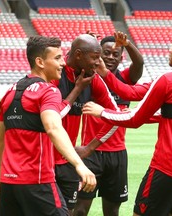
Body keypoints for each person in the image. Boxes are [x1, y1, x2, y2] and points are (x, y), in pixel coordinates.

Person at [82, 26, 172, 216]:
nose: (169, 49)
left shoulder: (167, 80)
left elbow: (134, 117)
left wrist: (102, 112)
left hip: (166, 169)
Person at [0, 36, 97, 216]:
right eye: (57, 58)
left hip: (9, 184)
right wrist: (79, 164)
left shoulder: (10, 92)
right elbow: (53, 127)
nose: (62, 63)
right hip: (37, 182)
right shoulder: (49, 91)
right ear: (40, 62)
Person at [73, 31, 144, 216]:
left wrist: (127, 44)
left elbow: (139, 64)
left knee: (112, 211)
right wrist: (89, 43)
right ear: (98, 54)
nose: (110, 57)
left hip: (117, 154)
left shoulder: (126, 79)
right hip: (90, 151)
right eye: (106, 53)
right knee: (80, 209)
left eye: (115, 54)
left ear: (121, 58)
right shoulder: (88, 77)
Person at [50, 34, 120, 215]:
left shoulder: (92, 78)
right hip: (44, 160)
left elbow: (116, 116)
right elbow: (53, 118)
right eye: (95, 57)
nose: (99, 62)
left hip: (68, 162)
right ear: (79, 54)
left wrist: (90, 147)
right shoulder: (55, 74)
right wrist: (78, 89)